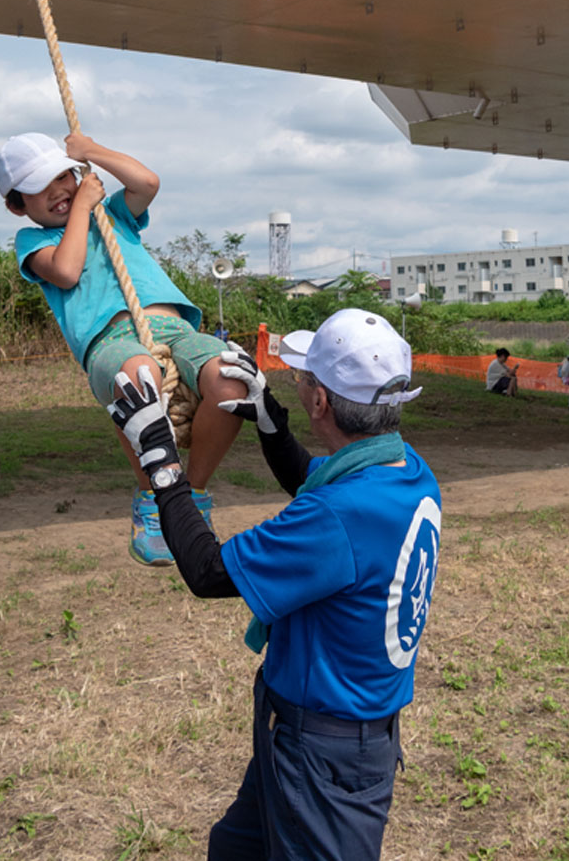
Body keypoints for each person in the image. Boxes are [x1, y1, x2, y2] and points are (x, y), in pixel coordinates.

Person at [108, 308, 442, 860]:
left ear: (322, 402)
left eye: (304, 379)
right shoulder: (401, 471)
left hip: (323, 753)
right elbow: (308, 481)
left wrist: (161, 463)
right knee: (236, 849)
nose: (298, 382)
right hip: (314, 733)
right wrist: (270, 420)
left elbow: (210, 573)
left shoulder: (339, 515)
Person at [0, 131, 244, 566]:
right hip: (111, 341)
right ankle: (154, 497)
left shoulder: (113, 216)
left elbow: (147, 182)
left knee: (232, 379)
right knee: (139, 374)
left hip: (175, 328)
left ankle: (193, 494)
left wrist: (90, 153)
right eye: (39, 190)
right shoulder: (33, 243)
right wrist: (83, 207)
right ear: (18, 206)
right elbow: (67, 272)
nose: (57, 192)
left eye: (62, 178)